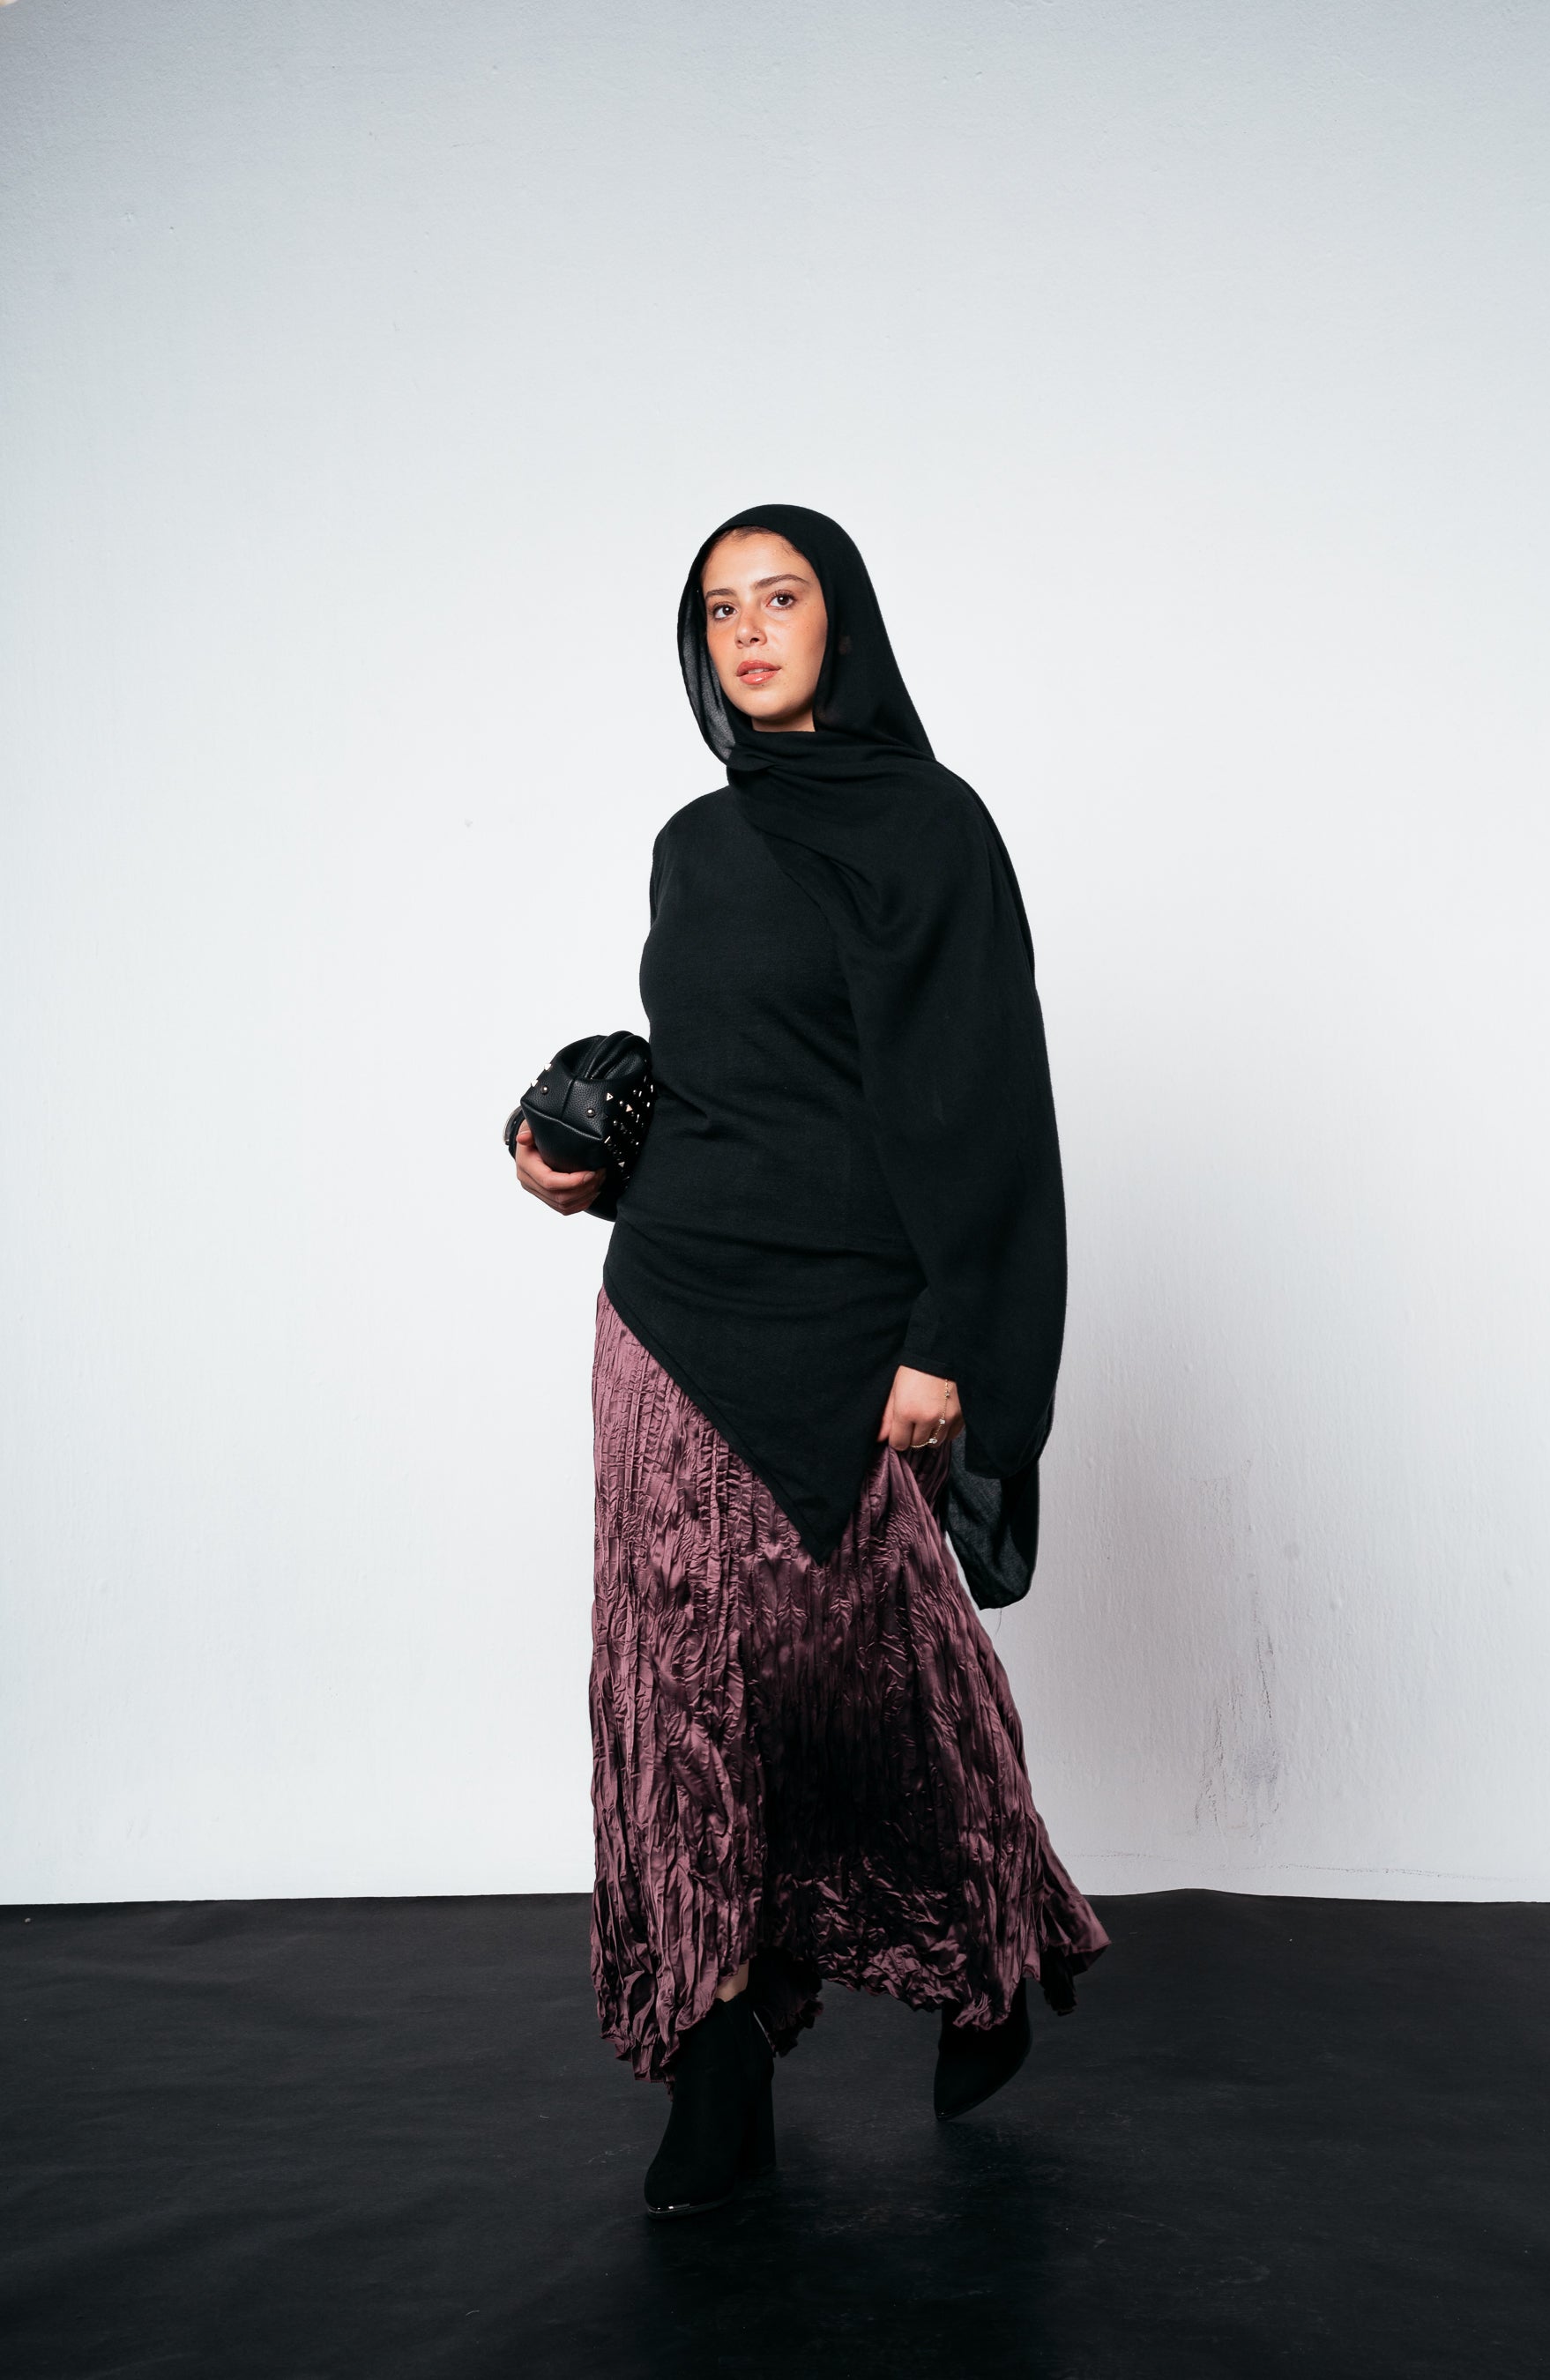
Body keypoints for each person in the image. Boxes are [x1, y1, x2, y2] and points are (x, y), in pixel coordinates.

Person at [514, 504, 1108, 2219]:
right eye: (721, 609)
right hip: (671, 1309)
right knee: (671, 1691)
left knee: (885, 1671)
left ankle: (988, 1947)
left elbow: (984, 1101)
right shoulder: (695, 842)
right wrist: (567, 1159)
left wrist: (949, 1340)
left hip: (858, 1328)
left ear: (843, 618)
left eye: (782, 597)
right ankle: (716, 2078)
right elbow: (713, 1075)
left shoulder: (935, 828)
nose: (751, 631)